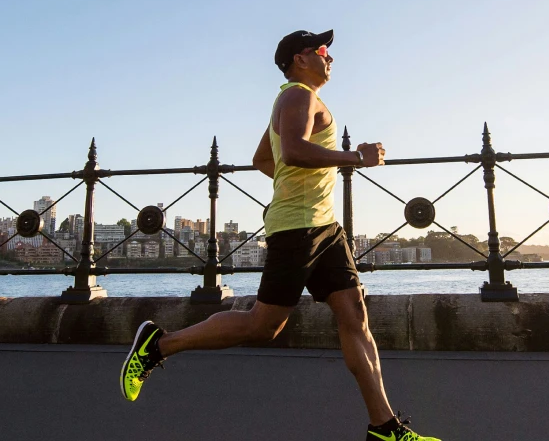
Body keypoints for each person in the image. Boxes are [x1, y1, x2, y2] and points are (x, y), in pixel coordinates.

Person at [120, 30, 440, 441]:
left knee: (355, 317)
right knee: (263, 325)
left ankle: (385, 428)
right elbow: (290, 151)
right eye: (322, 50)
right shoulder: (297, 97)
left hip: (324, 227)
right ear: (298, 59)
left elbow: (263, 159)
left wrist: (295, 186)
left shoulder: (300, 98)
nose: (330, 57)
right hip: (298, 229)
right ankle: (157, 345)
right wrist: (354, 158)